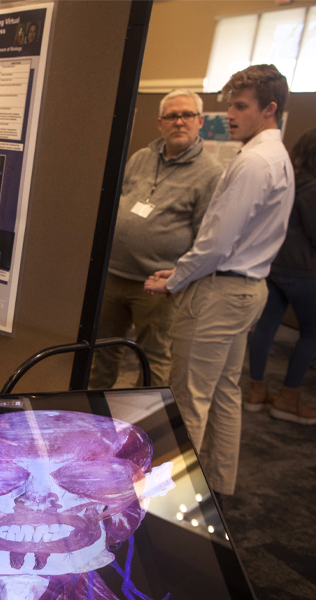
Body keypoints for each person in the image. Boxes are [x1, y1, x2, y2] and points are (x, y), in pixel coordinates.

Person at [145, 65, 295, 498]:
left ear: (270, 109)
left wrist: (175, 280)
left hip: (221, 292)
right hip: (246, 289)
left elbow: (216, 242)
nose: (228, 113)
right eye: (229, 104)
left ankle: (170, 502)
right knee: (226, 392)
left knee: (189, 399)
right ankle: (217, 485)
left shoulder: (252, 162)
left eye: (240, 106)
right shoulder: (275, 155)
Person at [90, 90, 222, 388]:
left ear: (200, 121)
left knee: (153, 360)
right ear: (160, 123)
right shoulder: (142, 157)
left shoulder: (211, 173)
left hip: (159, 284)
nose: (179, 122)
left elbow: (206, 236)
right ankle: (94, 416)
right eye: (171, 116)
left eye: (187, 115)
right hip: (114, 274)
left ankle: (146, 426)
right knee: (102, 351)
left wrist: (180, 278)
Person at [246, 127, 316, 425]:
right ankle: (288, 398)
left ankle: (256, 392)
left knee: (265, 329)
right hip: (305, 274)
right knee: (312, 334)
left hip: (273, 268)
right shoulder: (313, 189)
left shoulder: (289, 179)